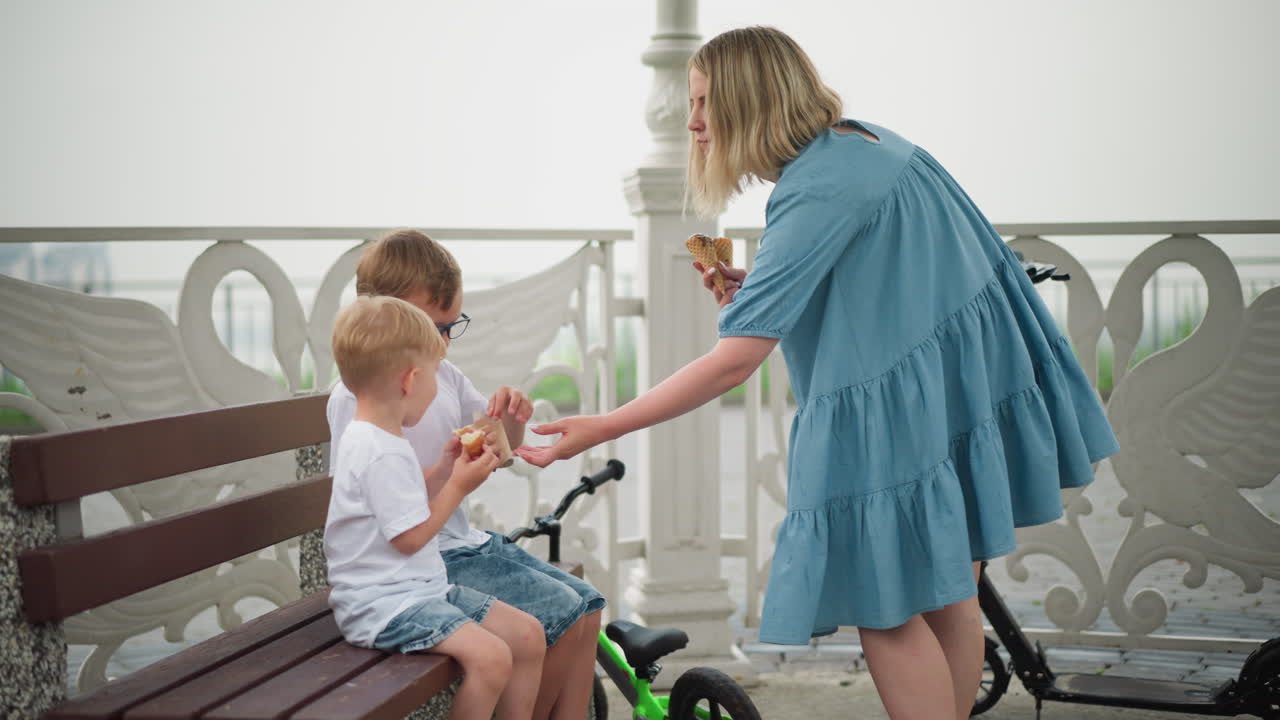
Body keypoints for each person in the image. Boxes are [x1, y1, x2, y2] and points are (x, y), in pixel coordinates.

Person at [515, 26, 1119, 720]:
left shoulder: (809, 192)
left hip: (902, 419)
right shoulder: (869, 142)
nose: (693, 122)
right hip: (964, 394)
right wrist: (765, 286)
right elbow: (884, 282)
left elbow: (733, 363)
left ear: (748, 99)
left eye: (705, 101)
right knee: (950, 592)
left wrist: (602, 425)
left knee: (885, 608)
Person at [327, 229, 605, 720]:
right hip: (426, 559)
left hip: (461, 541)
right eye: (432, 328)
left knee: (588, 606)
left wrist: (509, 423)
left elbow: (501, 448)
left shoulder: (445, 377)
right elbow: (397, 514)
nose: (442, 344)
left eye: (451, 328)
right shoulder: (359, 406)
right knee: (562, 614)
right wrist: (454, 481)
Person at [324, 295, 543, 720]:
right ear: (409, 380)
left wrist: (444, 469)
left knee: (527, 636)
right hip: (383, 605)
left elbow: (401, 500)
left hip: (418, 590)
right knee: (493, 658)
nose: (436, 388)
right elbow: (408, 538)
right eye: (433, 379)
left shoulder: (379, 437)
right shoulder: (378, 450)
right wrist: (459, 487)